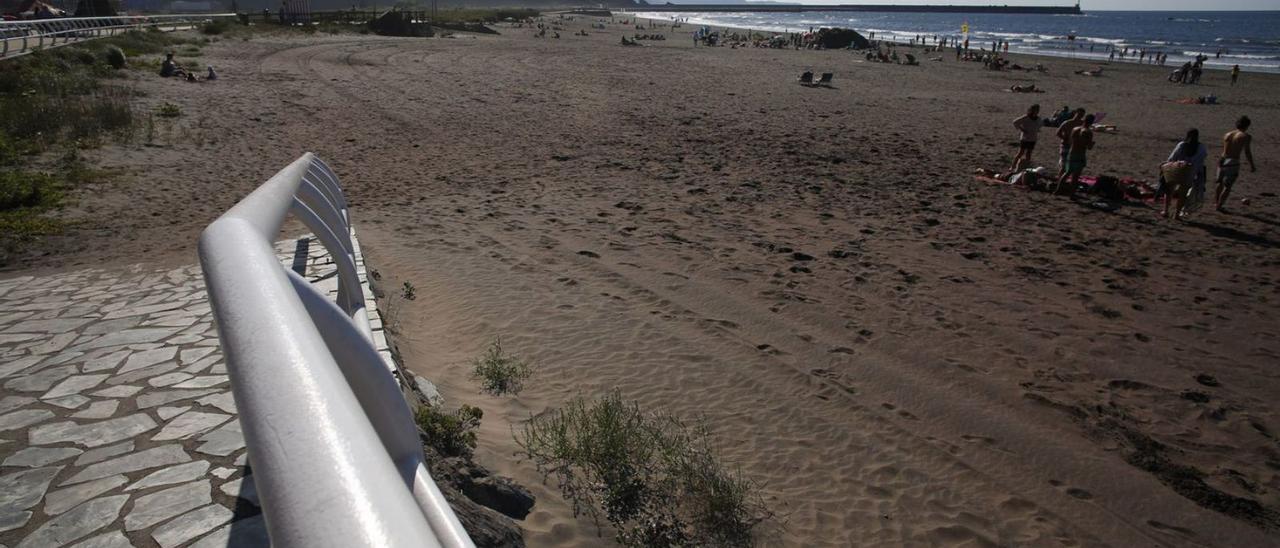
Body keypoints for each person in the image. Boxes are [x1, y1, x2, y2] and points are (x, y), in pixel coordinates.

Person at [1160, 129, 1207, 219]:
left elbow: (1172, 158)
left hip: (1177, 169)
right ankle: (1177, 214)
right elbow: (1201, 161)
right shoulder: (1201, 147)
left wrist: (1166, 165)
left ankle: (1166, 210)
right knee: (1183, 194)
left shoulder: (1182, 145)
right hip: (1190, 171)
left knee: (1169, 190)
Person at [1214, 116, 1257, 212]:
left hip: (1222, 159)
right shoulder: (1245, 136)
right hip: (1233, 161)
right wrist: (1252, 165)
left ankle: (1216, 202)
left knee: (1219, 182)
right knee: (1227, 186)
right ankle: (1219, 205)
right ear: (1247, 126)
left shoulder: (1228, 134)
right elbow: (1247, 152)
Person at [1056, 114, 1095, 195]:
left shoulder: (1075, 129)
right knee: (1075, 176)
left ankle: (1057, 190)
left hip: (1071, 153)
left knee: (1066, 173)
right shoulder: (1088, 132)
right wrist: (1092, 144)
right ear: (1091, 122)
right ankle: (1072, 194)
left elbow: (1070, 141)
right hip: (1080, 154)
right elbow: (1089, 147)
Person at [1011, 104, 1042, 173]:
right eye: (1036, 110)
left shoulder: (1038, 119)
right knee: (1021, 152)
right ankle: (1013, 166)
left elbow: (1039, 126)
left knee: (1029, 153)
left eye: (1038, 110)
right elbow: (1015, 122)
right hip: (1025, 138)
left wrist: (1036, 130)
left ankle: (1026, 167)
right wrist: (1022, 129)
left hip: (1033, 138)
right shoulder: (1026, 117)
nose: (1037, 111)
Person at [1056, 108, 1087, 175]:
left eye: (1082, 115)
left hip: (1075, 147)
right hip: (1066, 145)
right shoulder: (1067, 122)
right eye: (1079, 114)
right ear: (1075, 113)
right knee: (1064, 166)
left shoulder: (1082, 124)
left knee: (1071, 166)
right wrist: (1064, 138)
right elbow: (1058, 132)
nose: (1080, 116)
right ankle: (1059, 180)